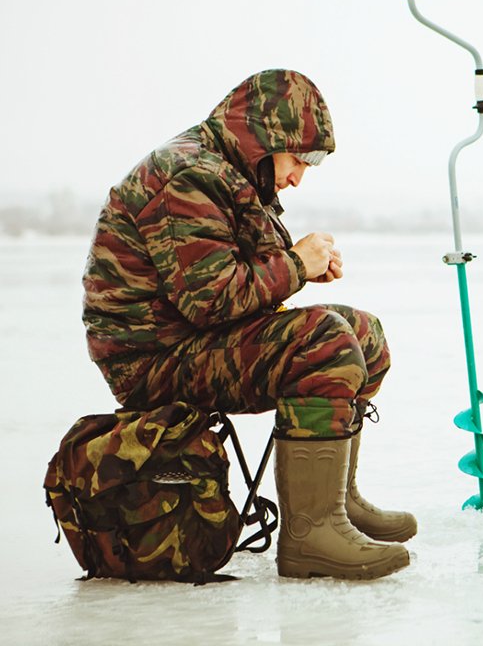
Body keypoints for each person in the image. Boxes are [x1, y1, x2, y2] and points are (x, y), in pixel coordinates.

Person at [82, 69, 415, 580]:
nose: (299, 177)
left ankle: (336, 504)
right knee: (324, 341)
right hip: (153, 360)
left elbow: (228, 274)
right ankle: (310, 538)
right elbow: (210, 299)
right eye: (300, 159)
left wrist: (295, 265)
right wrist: (295, 265)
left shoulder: (227, 172)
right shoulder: (188, 174)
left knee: (362, 333)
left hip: (192, 342)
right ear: (267, 138)